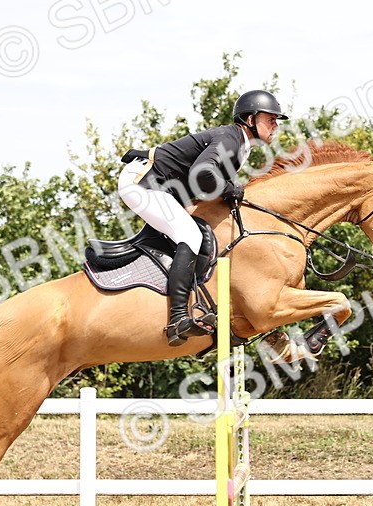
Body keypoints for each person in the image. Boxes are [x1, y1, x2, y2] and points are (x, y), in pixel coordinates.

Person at [117, 89, 288, 345]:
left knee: (194, 232)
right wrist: (231, 189)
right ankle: (176, 320)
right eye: (270, 118)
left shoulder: (242, 146)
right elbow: (203, 173)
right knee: (190, 235)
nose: (275, 125)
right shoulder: (232, 139)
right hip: (143, 182)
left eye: (276, 120)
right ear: (250, 119)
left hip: (164, 188)